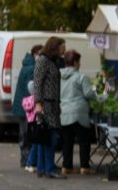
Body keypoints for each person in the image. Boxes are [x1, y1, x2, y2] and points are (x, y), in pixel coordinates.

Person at [31, 37, 67, 179]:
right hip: (46, 104)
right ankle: (49, 168)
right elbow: (37, 82)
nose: (63, 49)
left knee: (44, 136)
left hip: (52, 104)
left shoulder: (52, 61)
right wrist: (38, 103)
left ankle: (42, 167)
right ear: (54, 47)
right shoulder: (43, 60)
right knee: (49, 136)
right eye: (62, 46)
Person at [58, 50, 96, 175]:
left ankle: (66, 166)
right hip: (79, 113)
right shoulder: (81, 77)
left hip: (64, 112)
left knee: (67, 141)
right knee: (84, 141)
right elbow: (88, 94)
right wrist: (99, 96)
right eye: (79, 61)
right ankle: (84, 166)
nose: (80, 64)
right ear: (74, 62)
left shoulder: (59, 77)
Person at [13, 44, 41, 169]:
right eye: (40, 55)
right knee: (27, 135)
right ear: (35, 53)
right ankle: (26, 160)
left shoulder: (26, 66)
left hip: (22, 105)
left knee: (24, 134)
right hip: (27, 107)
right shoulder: (31, 68)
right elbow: (32, 88)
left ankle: (25, 160)